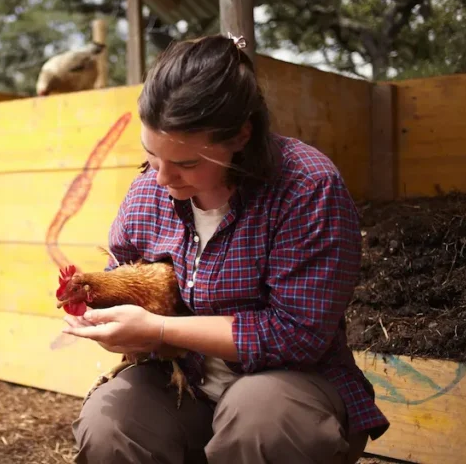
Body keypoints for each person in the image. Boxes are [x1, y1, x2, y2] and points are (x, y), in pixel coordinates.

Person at [61, 33, 390, 464]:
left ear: (240, 136)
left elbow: (298, 334)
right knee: (112, 424)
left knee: (262, 418)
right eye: (152, 156)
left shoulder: (306, 187)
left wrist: (158, 331)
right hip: (185, 384)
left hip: (289, 388)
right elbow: (121, 271)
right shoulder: (148, 192)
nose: (162, 178)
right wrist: (120, 331)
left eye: (187, 163)